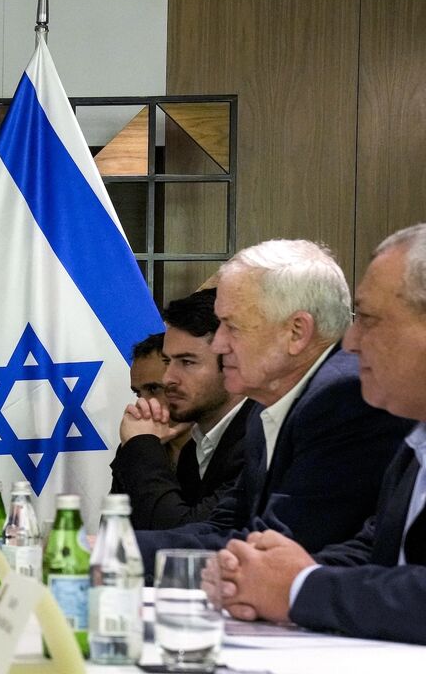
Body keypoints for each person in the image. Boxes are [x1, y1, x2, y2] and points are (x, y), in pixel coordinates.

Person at [133, 239, 414, 572]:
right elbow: (227, 527)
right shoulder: (269, 404)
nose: (220, 344)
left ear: (296, 332)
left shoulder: (342, 399)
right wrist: (111, 546)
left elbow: (287, 545)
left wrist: (120, 551)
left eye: (231, 326)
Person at [218, 224, 426, 644]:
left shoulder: (344, 401)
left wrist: (299, 588)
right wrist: (261, 574)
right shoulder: (415, 441)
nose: (350, 342)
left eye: (368, 320)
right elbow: (376, 550)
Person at [111, 289, 251, 529]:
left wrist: (143, 445)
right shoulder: (195, 449)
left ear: (232, 363)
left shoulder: (258, 441)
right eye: (169, 361)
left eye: (187, 362)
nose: (168, 379)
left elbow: (181, 540)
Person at [128, 332, 190, 465]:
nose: (141, 404)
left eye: (153, 389)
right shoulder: (137, 444)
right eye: (137, 393)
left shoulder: (232, 448)